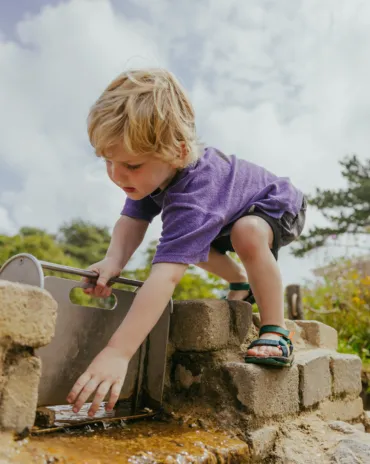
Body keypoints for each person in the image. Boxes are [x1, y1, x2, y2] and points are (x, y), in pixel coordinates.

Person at [66, 68, 307, 417]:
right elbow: (130, 222)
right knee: (185, 246)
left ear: (178, 153)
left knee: (247, 234)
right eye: (108, 161)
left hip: (274, 202)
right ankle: (240, 281)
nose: (117, 176)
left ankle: (275, 329)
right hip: (225, 213)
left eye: (130, 165)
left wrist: (118, 352)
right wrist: (112, 261)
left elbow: (165, 278)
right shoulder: (149, 177)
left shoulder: (194, 194)